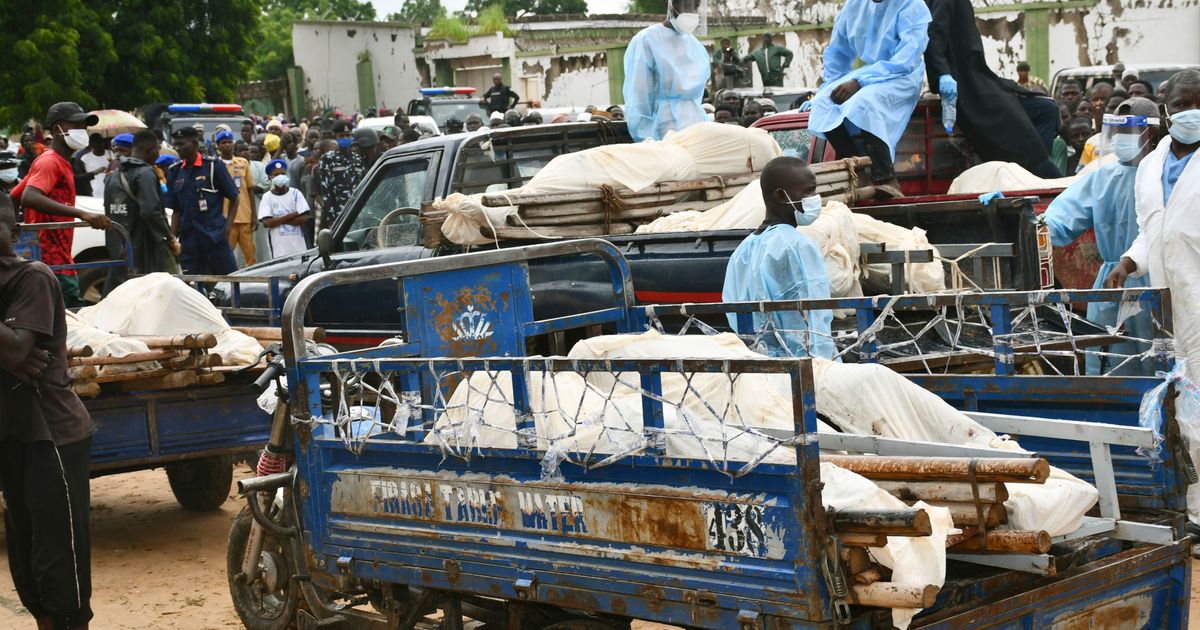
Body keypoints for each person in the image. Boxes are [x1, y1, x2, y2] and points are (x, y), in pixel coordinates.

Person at [0, 193, 95, 630]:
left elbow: (19, 350)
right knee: (25, 550)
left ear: (14, 233)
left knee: (59, 554)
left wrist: (13, 350)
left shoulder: (31, 276)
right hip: (12, 431)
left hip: (50, 433)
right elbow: (14, 351)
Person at [1043, 98, 1160, 375]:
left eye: (1127, 133)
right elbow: (1059, 218)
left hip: (1158, 279)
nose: (1120, 140)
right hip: (1112, 282)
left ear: (1150, 133)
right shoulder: (1102, 176)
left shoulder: (1162, 172)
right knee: (1110, 366)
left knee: (1160, 363)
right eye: (1117, 133)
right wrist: (1028, 221)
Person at [1108, 70, 1200, 377]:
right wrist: (1128, 262)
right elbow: (1151, 229)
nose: (1192, 112)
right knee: (1180, 382)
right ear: (1165, 110)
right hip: (1166, 298)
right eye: (1182, 104)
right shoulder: (1149, 167)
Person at [805, 0, 931, 196]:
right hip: (870, 73)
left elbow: (906, 59)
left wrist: (860, 81)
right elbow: (837, 53)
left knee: (863, 103)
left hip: (902, 75)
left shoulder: (912, 4)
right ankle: (860, 172)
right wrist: (827, 88)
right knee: (823, 103)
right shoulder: (854, 5)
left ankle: (886, 178)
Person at [925, 0, 1062, 178]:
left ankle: (1039, 170)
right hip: (970, 90)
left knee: (1047, 109)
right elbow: (933, 34)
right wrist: (942, 73)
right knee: (1022, 130)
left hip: (981, 81)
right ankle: (1039, 174)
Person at [721, 156, 834, 359]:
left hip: (757, 362)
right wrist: (824, 364)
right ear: (781, 196)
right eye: (808, 191)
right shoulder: (797, 246)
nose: (814, 198)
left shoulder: (742, 251)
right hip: (802, 365)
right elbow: (813, 320)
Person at [10, 103, 112, 307]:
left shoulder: (59, 161)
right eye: (77, 126)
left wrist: (14, 233)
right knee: (70, 320)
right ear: (58, 130)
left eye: (84, 127)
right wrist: (82, 214)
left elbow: (15, 196)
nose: (83, 132)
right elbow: (29, 196)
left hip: (58, 258)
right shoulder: (50, 161)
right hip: (52, 261)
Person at [623, 0, 710, 142]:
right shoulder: (647, 40)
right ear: (668, 4)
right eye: (686, 4)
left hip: (696, 132)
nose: (691, 11)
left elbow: (696, 100)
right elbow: (639, 100)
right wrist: (646, 140)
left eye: (695, 6)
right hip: (663, 135)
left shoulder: (697, 47)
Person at [102, 130, 178, 292]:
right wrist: (170, 238)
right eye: (157, 150)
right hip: (145, 249)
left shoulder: (113, 175)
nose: (158, 155)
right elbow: (151, 212)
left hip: (119, 248)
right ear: (151, 149)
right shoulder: (146, 173)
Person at [163, 126, 239, 275]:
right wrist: (172, 237)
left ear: (195, 143)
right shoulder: (175, 171)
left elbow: (234, 197)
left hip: (215, 238)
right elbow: (176, 210)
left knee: (230, 282)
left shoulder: (213, 166)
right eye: (175, 144)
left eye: (182, 144)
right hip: (189, 241)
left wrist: (227, 227)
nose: (177, 148)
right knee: (191, 287)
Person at [213, 130, 256, 267]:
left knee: (250, 256)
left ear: (234, 144)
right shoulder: (214, 165)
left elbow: (250, 190)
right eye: (223, 143)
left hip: (245, 216)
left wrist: (254, 215)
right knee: (226, 255)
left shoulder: (243, 163)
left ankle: (252, 285)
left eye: (229, 142)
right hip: (225, 218)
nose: (227, 145)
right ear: (217, 146)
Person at [313, 126, 365, 230]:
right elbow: (326, 191)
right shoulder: (328, 158)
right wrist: (331, 220)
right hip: (338, 215)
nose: (345, 138)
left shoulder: (357, 158)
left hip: (358, 213)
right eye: (341, 136)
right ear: (336, 138)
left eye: (348, 135)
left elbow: (363, 185)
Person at [257, 160, 310, 259]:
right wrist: (291, 215)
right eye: (276, 174)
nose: (280, 176)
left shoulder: (295, 193)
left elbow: (304, 218)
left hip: (298, 246)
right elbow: (267, 222)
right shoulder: (267, 197)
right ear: (270, 178)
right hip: (279, 249)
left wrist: (277, 220)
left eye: (282, 173)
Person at [77, 134, 112, 199]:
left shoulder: (111, 154)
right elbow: (83, 177)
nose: (100, 144)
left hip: (110, 190)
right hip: (94, 192)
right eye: (97, 143)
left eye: (101, 142)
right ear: (91, 145)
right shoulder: (85, 158)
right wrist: (96, 172)